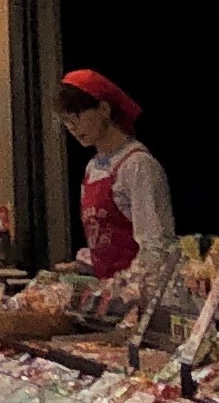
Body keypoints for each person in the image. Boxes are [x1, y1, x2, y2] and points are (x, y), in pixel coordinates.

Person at [61, 68, 177, 284]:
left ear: (104, 108)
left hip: (139, 294)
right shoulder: (92, 168)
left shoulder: (137, 165)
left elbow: (155, 248)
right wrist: (84, 266)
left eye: (78, 116)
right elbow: (103, 241)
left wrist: (124, 285)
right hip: (109, 295)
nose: (73, 127)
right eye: (66, 120)